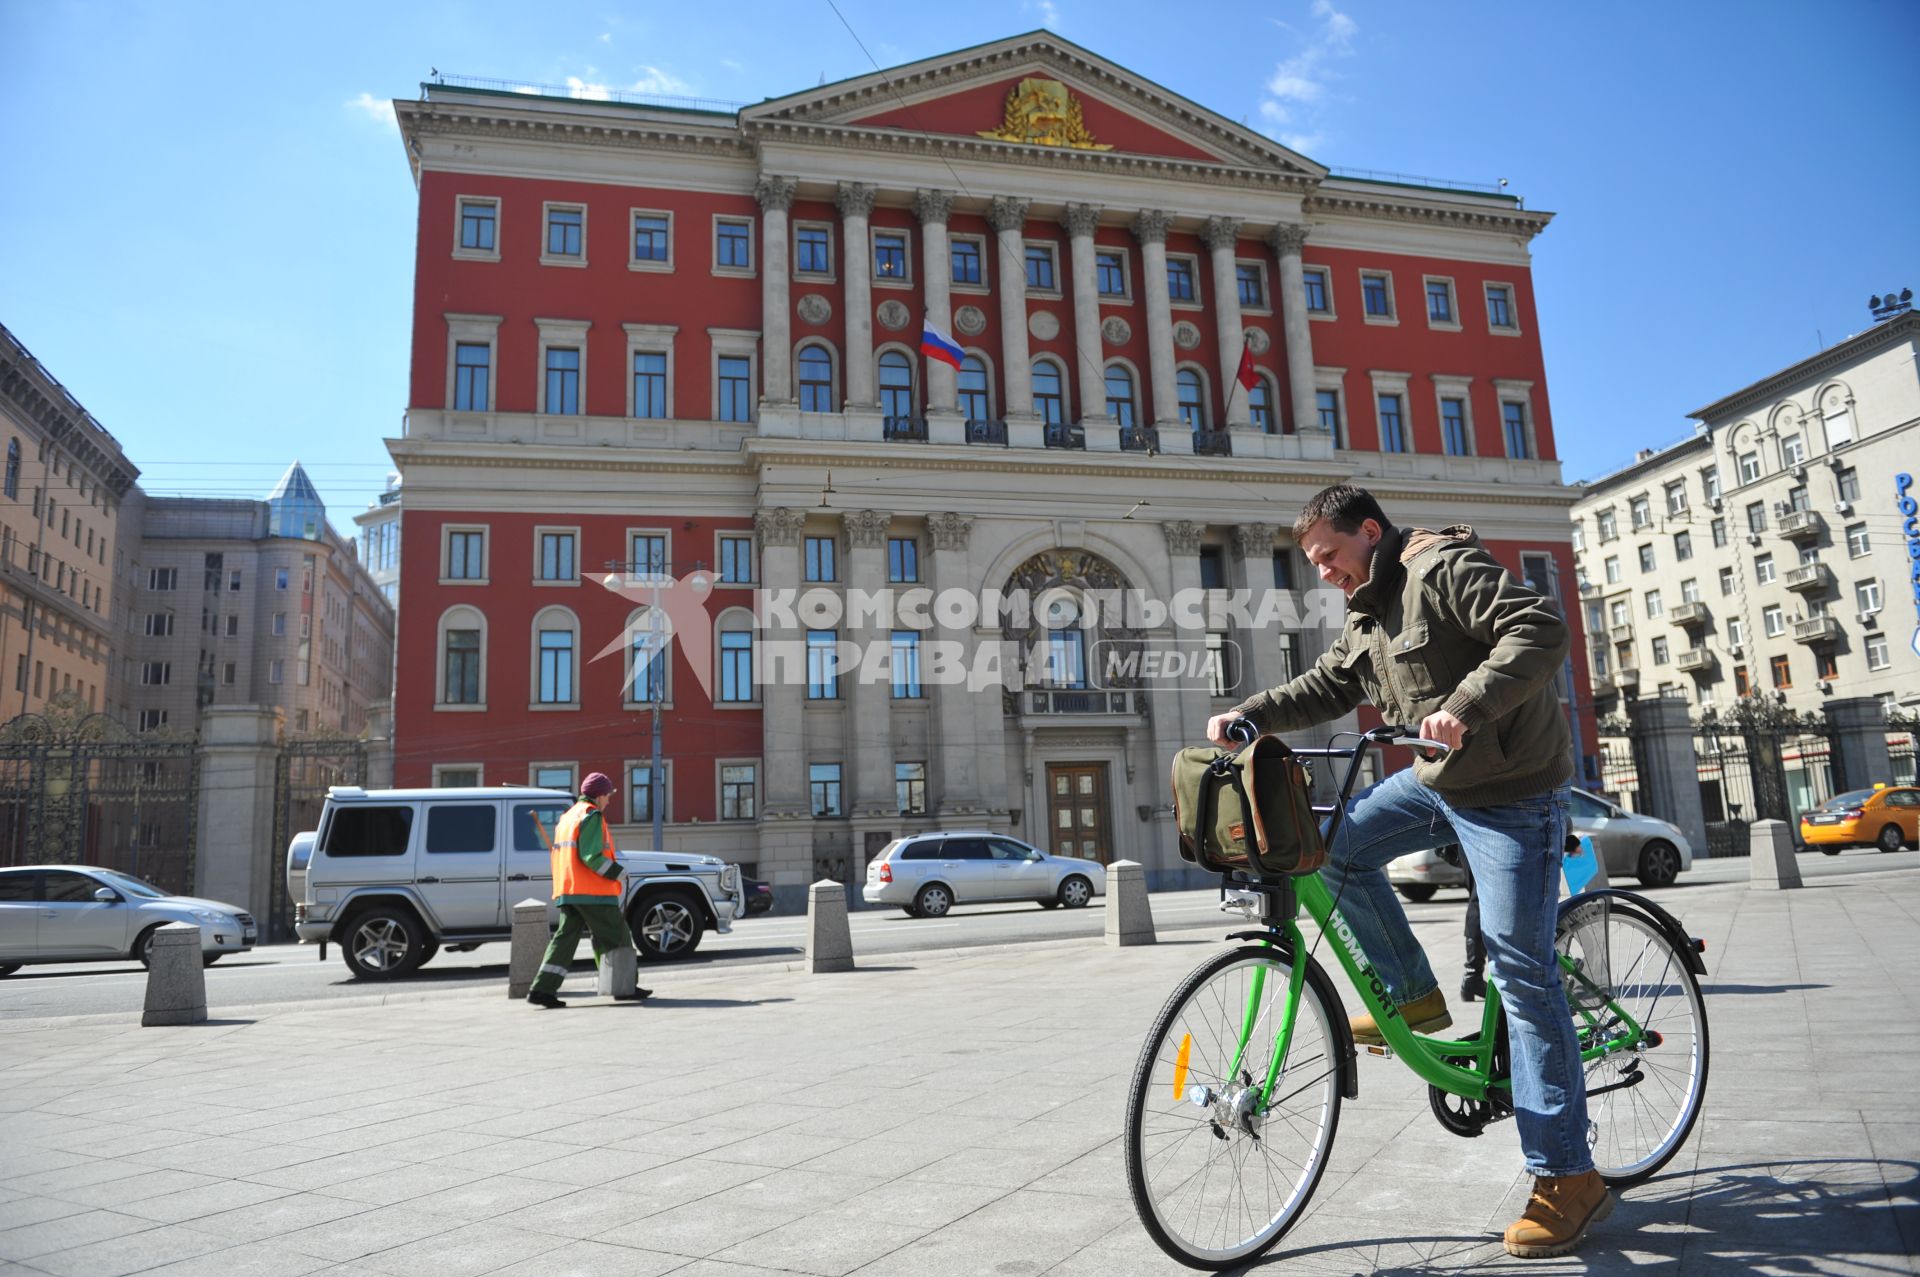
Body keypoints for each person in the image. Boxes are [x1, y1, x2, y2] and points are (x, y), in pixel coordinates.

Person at [1208, 484, 1608, 1260]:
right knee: (1338, 849)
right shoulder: (1368, 604)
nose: (1323, 572)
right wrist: (1251, 711)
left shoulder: (1442, 567)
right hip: (1438, 779)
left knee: (1522, 971)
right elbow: (1329, 682)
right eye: (1314, 562)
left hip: (1510, 790)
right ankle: (1414, 996)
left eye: (1329, 555)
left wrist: (1464, 703)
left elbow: (1540, 627)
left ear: (1368, 531)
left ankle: (1568, 1173)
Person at [526, 772, 651, 1009]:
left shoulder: (568, 816)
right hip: (593, 891)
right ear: (600, 795)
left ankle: (542, 989)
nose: (609, 800)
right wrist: (617, 872)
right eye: (608, 795)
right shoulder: (591, 816)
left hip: (568, 889)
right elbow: (591, 856)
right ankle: (624, 987)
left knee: (564, 940)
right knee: (618, 935)